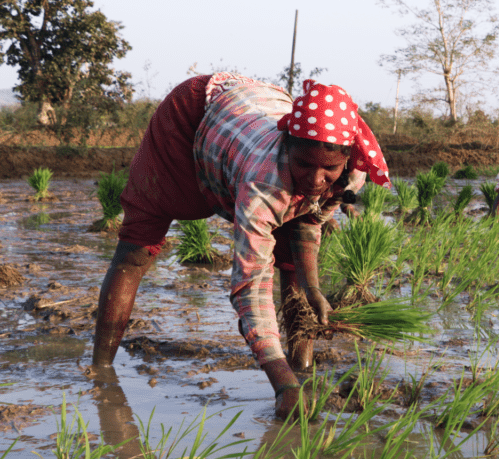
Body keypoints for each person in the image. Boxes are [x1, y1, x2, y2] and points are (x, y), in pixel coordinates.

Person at [91, 73, 390, 419]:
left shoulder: (353, 172)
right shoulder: (264, 182)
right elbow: (251, 287)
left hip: (253, 105)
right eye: (304, 165)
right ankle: (101, 371)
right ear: (286, 145)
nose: (315, 179)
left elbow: (310, 220)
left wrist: (313, 288)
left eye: (329, 169)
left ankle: (301, 369)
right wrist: (281, 385)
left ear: (347, 161)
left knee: (290, 261)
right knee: (138, 246)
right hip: (193, 115)